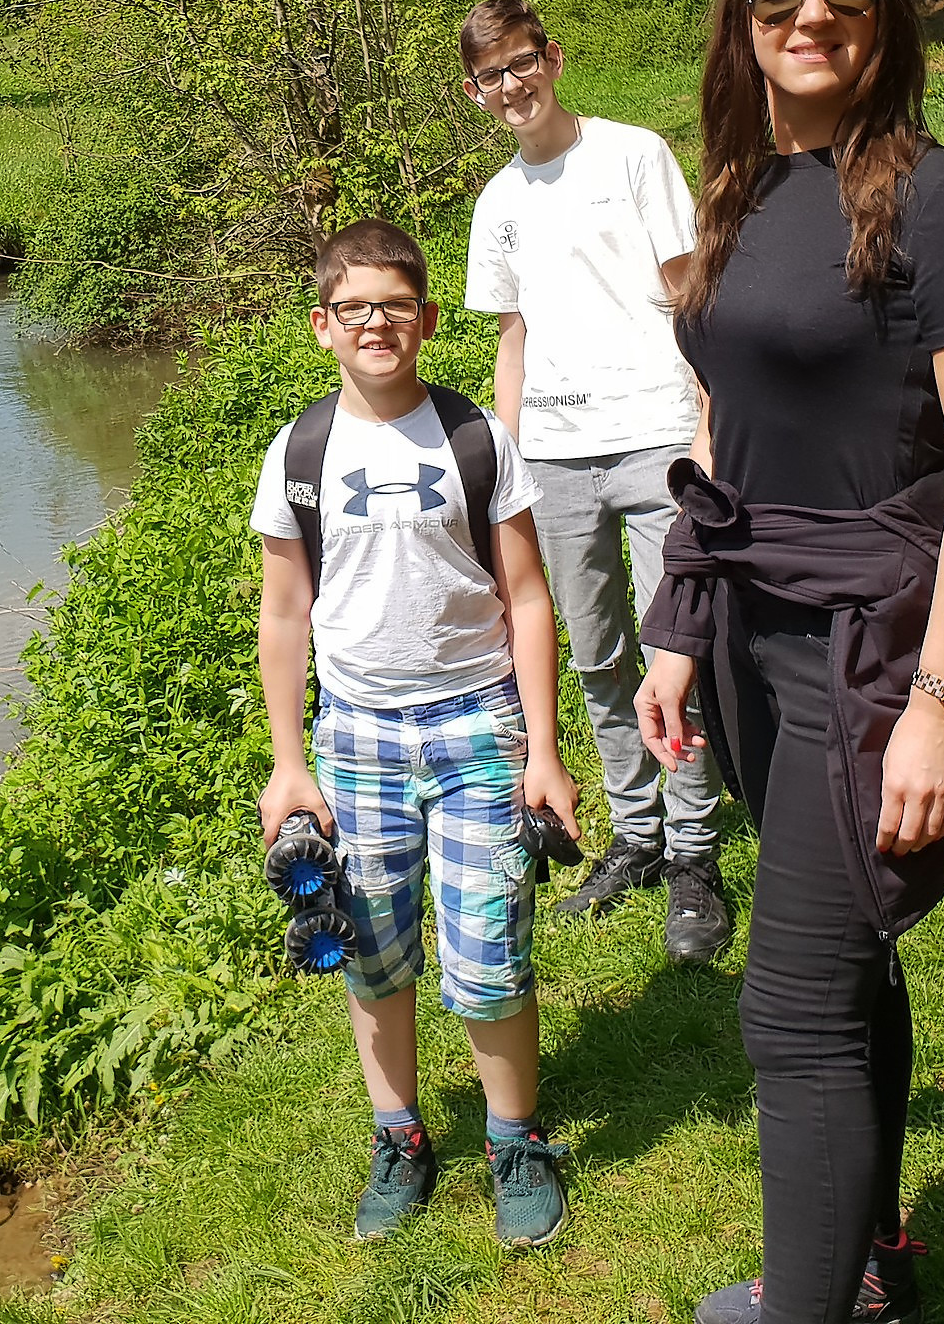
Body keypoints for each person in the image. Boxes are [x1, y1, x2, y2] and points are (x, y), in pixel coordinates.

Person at [631, 0, 944, 1324]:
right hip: (751, 634)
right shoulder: (740, 194)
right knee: (850, 965)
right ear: (742, 25)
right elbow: (720, 425)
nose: (811, 15)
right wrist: (679, 623)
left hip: (867, 652)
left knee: (792, 1011)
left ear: (884, 17)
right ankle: (868, 1259)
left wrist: (941, 701)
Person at [253, 217, 582, 1248]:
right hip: (356, 738)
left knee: (490, 953)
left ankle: (514, 1141)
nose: (376, 324)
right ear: (322, 324)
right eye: (353, 308)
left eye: (395, 306)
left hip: (477, 723)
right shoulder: (298, 451)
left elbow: (527, 597)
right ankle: (398, 1137)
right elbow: (284, 613)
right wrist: (289, 763)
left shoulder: (478, 438)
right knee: (373, 955)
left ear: (428, 319)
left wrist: (543, 750)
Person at [460, 0, 732, 962]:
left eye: (521, 62)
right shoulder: (496, 204)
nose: (511, 85)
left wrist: (710, 415)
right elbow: (512, 338)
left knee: (673, 650)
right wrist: (505, 460)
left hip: (656, 432)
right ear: (475, 93)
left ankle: (696, 853)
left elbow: (689, 289)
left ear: (552, 57)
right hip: (554, 458)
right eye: (491, 75)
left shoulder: (632, 154)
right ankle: (636, 833)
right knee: (594, 654)